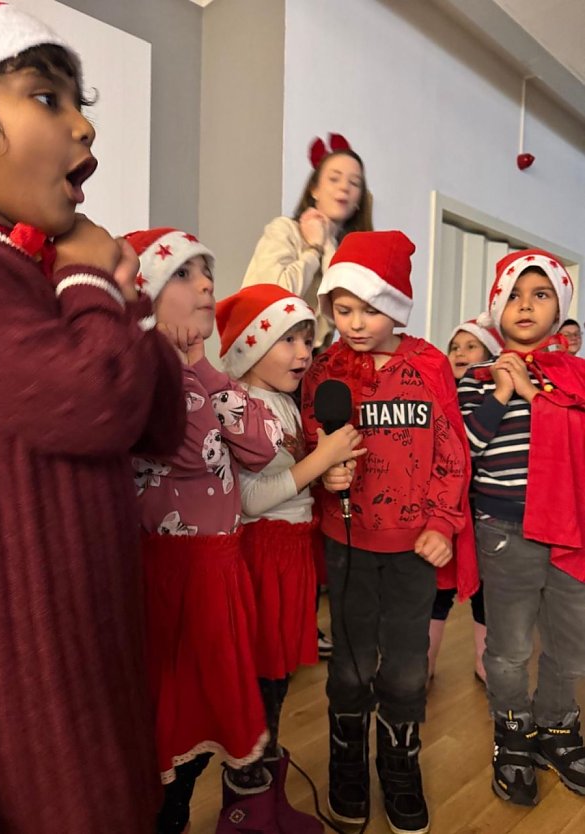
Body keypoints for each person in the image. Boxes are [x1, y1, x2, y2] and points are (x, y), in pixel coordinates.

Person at [0, 4, 185, 833]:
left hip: (84, 649)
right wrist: (89, 282)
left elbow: (157, 421)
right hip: (22, 681)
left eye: (76, 99)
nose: (83, 122)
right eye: (45, 98)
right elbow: (92, 406)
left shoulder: (32, 270)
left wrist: (116, 293)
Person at [301, 231, 477, 834]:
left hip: (413, 547)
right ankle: (346, 757)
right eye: (342, 309)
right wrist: (326, 474)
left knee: (405, 666)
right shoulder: (325, 370)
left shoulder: (428, 364)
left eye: (370, 310)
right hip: (346, 541)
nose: (354, 324)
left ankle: (399, 763)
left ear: (397, 305)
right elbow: (309, 443)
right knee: (349, 663)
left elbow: (453, 450)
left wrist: (442, 522)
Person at [127, 229, 285, 834]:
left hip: (217, 568)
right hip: (169, 572)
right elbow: (182, 448)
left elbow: (264, 447)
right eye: (187, 275)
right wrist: (182, 371)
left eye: (207, 274)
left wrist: (204, 368)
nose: (208, 287)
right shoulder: (138, 371)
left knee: (199, 720)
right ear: (147, 291)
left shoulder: (205, 375)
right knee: (163, 724)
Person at [216, 284, 366, 834]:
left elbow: (291, 483)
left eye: (308, 339)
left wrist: (329, 473)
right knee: (257, 683)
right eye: (289, 340)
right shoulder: (237, 404)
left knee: (276, 680)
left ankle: (268, 795)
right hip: (259, 557)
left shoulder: (287, 402)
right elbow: (251, 497)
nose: (305, 353)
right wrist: (320, 459)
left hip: (291, 554)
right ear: (252, 346)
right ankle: (246, 807)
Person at [458, 249, 585, 807]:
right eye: (514, 295)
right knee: (508, 648)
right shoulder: (474, 380)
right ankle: (513, 731)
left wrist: (538, 396)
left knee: (569, 642)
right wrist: (504, 394)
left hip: (571, 530)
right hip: (505, 527)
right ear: (496, 308)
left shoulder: (576, 377)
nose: (526, 305)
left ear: (560, 308)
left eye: (541, 295)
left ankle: (558, 728)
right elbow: (465, 453)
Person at [242, 133, 373, 350]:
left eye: (354, 183)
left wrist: (328, 247)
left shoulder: (346, 254)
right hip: (266, 358)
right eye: (334, 178)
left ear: (359, 200)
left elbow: (351, 322)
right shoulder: (284, 230)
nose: (344, 187)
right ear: (314, 189)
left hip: (314, 368)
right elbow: (271, 300)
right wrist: (313, 250)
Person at [428, 320, 503, 685]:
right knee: (436, 586)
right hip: (443, 506)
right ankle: (423, 662)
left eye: (471, 346)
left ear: (490, 355)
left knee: (484, 589)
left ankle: (483, 661)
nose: (459, 352)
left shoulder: (495, 397)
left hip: (481, 506)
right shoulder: (439, 393)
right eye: (455, 346)